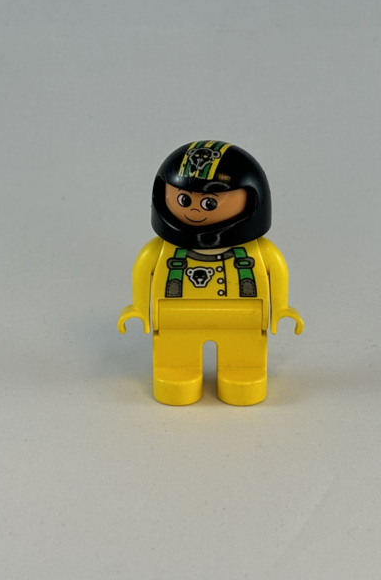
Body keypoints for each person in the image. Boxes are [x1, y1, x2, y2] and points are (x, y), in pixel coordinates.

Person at [118, 141, 303, 406]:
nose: (194, 210)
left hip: (244, 321)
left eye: (209, 202)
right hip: (176, 321)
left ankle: (241, 370)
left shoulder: (259, 252)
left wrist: (281, 307)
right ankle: (178, 370)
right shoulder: (160, 251)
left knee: (243, 365)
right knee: (177, 364)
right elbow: (143, 269)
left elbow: (277, 270)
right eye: (184, 199)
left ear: (251, 200)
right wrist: (138, 308)